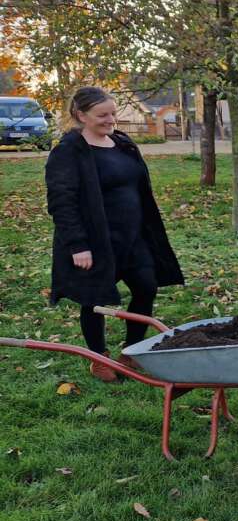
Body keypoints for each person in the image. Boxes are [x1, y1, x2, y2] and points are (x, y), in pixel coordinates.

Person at [45, 86, 184, 383]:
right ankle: (99, 359)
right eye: (102, 115)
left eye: (113, 113)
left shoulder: (121, 143)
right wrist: (77, 245)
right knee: (94, 298)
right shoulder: (69, 151)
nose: (111, 120)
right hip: (96, 241)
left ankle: (130, 352)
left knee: (146, 287)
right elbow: (62, 201)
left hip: (133, 237)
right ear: (80, 115)